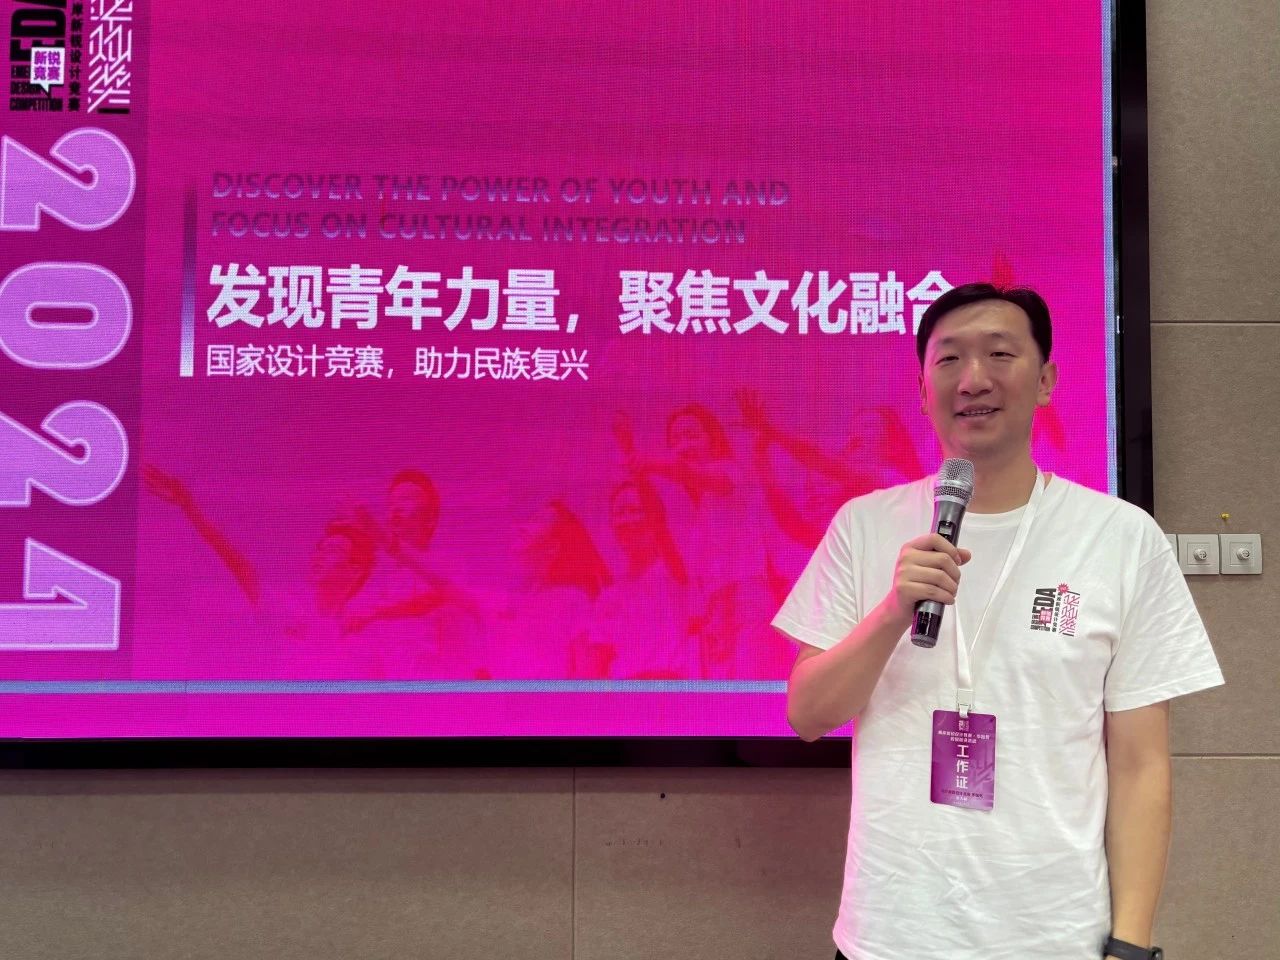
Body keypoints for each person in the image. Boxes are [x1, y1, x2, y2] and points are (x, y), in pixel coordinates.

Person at [773, 283, 1223, 960]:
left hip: (1055, 937)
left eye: (1000, 354)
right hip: (890, 936)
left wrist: (1131, 943)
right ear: (922, 389)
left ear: (1045, 381)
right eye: (949, 359)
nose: (973, 379)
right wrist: (893, 613)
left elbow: (1140, 765)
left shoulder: (1120, 538)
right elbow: (808, 713)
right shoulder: (863, 526)